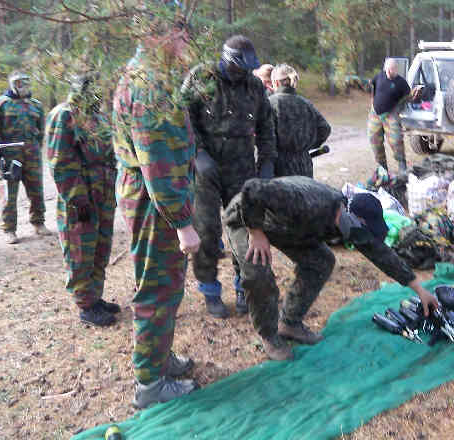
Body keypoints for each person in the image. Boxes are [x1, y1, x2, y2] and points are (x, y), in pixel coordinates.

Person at [223, 176, 439, 361]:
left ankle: (289, 323)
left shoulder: (347, 221)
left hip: (287, 227)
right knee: (258, 272)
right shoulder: (310, 202)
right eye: (362, 229)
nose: (358, 236)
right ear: (356, 218)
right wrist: (255, 231)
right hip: (247, 217)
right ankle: (270, 336)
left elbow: (381, 254)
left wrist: (419, 289)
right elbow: (253, 189)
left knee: (322, 260)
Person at [112, 0, 202, 409]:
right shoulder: (148, 83)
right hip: (156, 204)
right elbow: (157, 165)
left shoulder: (154, 75)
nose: (184, 37)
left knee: (168, 286)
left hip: (158, 199)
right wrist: (183, 223)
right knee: (157, 290)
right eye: (176, 30)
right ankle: (149, 384)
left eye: (184, 28)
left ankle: (161, 360)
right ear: (153, 36)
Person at [181, 36, 276, 318]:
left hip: (242, 168)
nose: (244, 73)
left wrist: (267, 163)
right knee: (206, 230)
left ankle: (242, 286)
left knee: (246, 229)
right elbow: (183, 117)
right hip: (206, 169)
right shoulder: (201, 77)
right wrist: (198, 154)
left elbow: (267, 126)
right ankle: (210, 289)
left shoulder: (255, 86)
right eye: (239, 67)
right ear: (227, 60)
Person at [46, 73, 119, 327]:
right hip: (82, 199)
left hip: (104, 195)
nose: (97, 94)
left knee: (100, 249)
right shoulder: (65, 115)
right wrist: (78, 200)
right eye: (92, 90)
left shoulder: (98, 117)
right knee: (80, 252)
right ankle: (85, 305)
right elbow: (60, 162)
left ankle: (94, 297)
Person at [0, 71, 52, 243]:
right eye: (19, 83)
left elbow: (41, 131)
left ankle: (38, 222)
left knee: (36, 190)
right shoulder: (0, 104)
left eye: (26, 82)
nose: (23, 86)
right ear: (12, 84)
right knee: (8, 193)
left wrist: (36, 148)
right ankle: (9, 229)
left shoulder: (36, 105)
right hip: (9, 155)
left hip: (32, 154)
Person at [268, 63, 331, 177]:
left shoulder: (270, 103)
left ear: (276, 83)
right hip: (304, 166)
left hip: (279, 168)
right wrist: (305, 147)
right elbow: (325, 128)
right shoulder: (307, 104)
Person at [368, 58, 421, 175]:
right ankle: (382, 168)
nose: (392, 71)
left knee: (396, 141)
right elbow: (373, 87)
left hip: (391, 115)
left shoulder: (401, 82)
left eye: (393, 69)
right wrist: (373, 102)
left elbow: (408, 97)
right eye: (389, 69)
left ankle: (402, 166)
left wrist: (415, 94)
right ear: (386, 68)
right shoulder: (379, 76)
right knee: (374, 140)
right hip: (375, 114)